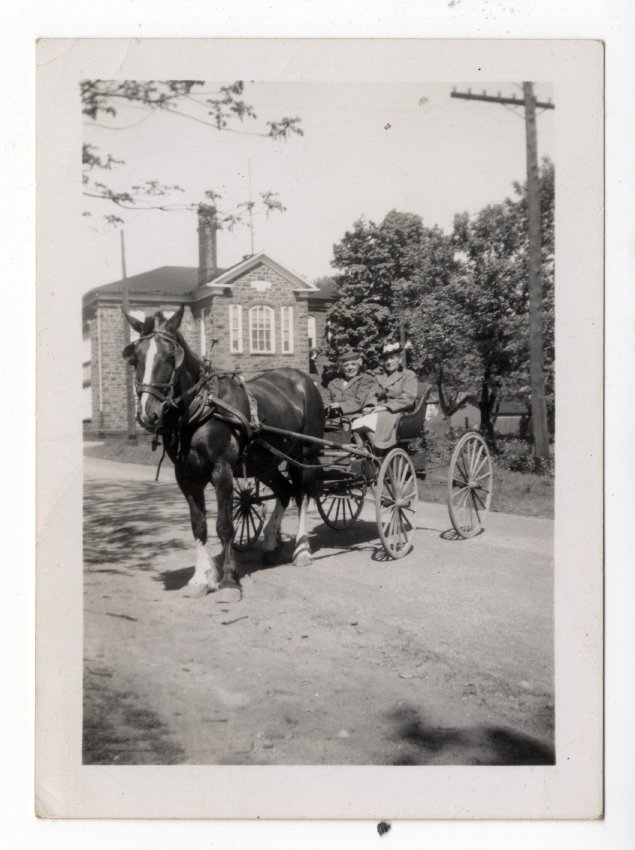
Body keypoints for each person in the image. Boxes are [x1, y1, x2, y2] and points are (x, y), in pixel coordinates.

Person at [352, 341, 417, 449]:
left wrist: (384, 408)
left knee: (368, 423)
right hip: (378, 411)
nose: (389, 361)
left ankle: (379, 451)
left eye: (392, 358)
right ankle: (365, 453)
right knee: (356, 423)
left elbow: (408, 398)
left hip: (398, 411)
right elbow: (372, 395)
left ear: (400, 359)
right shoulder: (380, 377)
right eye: (386, 359)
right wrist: (369, 407)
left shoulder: (408, 375)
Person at [324, 347, 379, 418]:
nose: (350, 368)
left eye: (353, 364)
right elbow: (324, 399)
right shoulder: (333, 383)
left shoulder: (365, 380)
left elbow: (359, 402)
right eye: (346, 365)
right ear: (342, 368)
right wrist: (327, 407)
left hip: (356, 417)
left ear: (358, 365)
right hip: (333, 417)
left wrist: (340, 405)